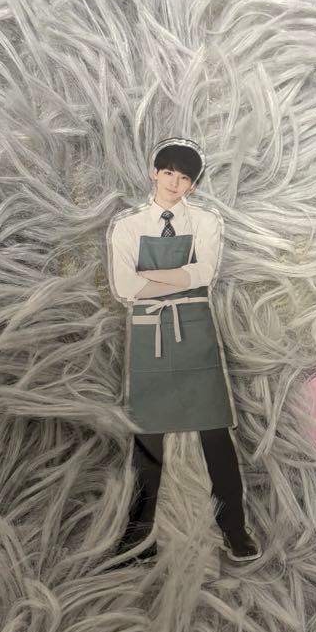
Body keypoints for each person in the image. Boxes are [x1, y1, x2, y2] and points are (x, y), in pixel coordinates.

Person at [106, 138, 261, 564]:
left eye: (185, 177)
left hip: (195, 332)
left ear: (193, 184)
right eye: (169, 172)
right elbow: (124, 286)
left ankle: (235, 530)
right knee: (148, 442)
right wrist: (181, 276)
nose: (176, 183)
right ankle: (137, 538)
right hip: (149, 337)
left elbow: (205, 273)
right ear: (154, 172)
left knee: (216, 436)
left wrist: (151, 276)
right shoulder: (127, 226)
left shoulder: (207, 221)